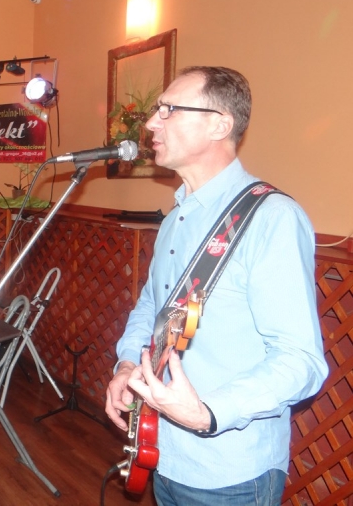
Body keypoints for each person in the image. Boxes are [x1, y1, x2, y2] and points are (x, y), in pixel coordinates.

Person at [104, 66, 328, 505]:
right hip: (162, 450)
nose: (151, 122)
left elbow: (302, 360)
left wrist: (208, 413)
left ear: (220, 125)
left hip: (230, 473)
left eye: (168, 110)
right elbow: (152, 306)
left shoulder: (272, 218)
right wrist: (127, 365)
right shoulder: (176, 217)